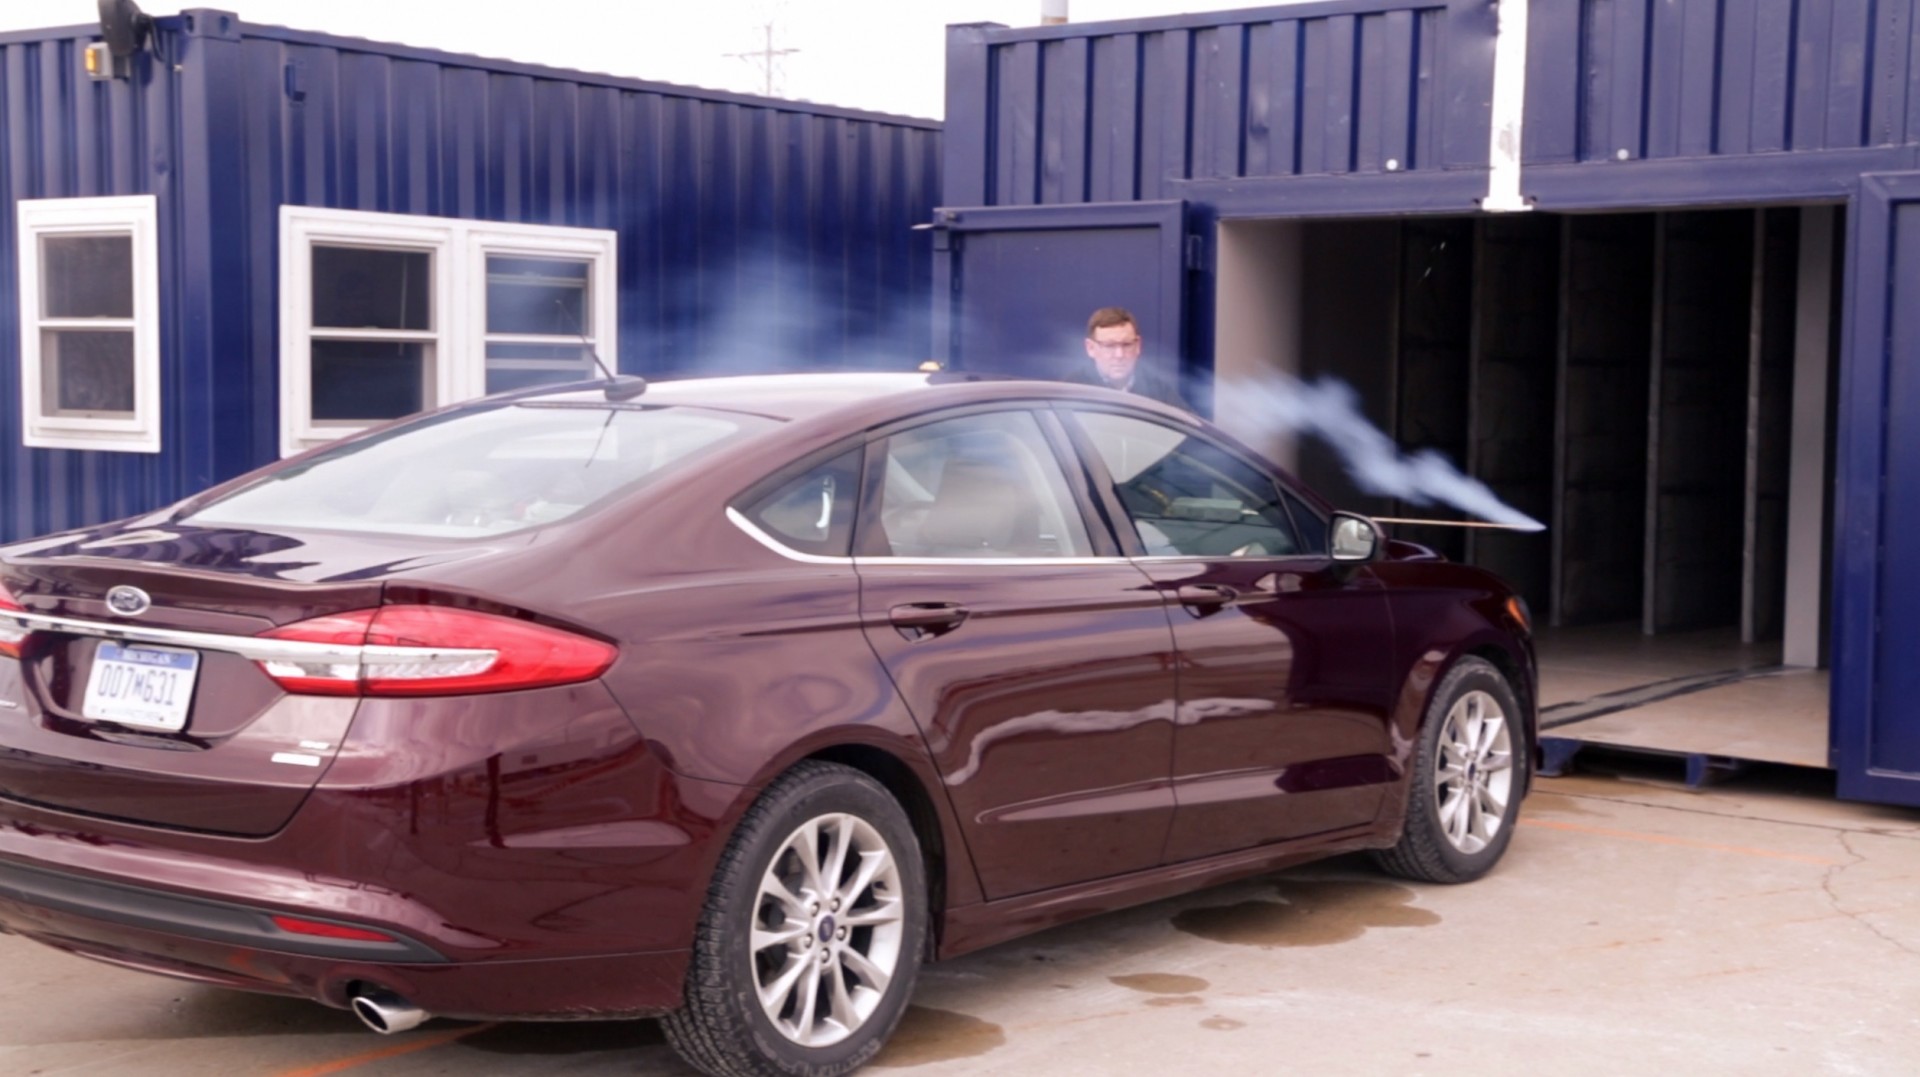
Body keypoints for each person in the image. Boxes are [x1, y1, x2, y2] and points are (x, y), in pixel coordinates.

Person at [1062, 306, 1189, 408]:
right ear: (1090, 348)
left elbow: (1188, 429)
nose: (1119, 355)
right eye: (1109, 346)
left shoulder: (1157, 390)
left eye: (1127, 345)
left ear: (1138, 345)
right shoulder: (1073, 390)